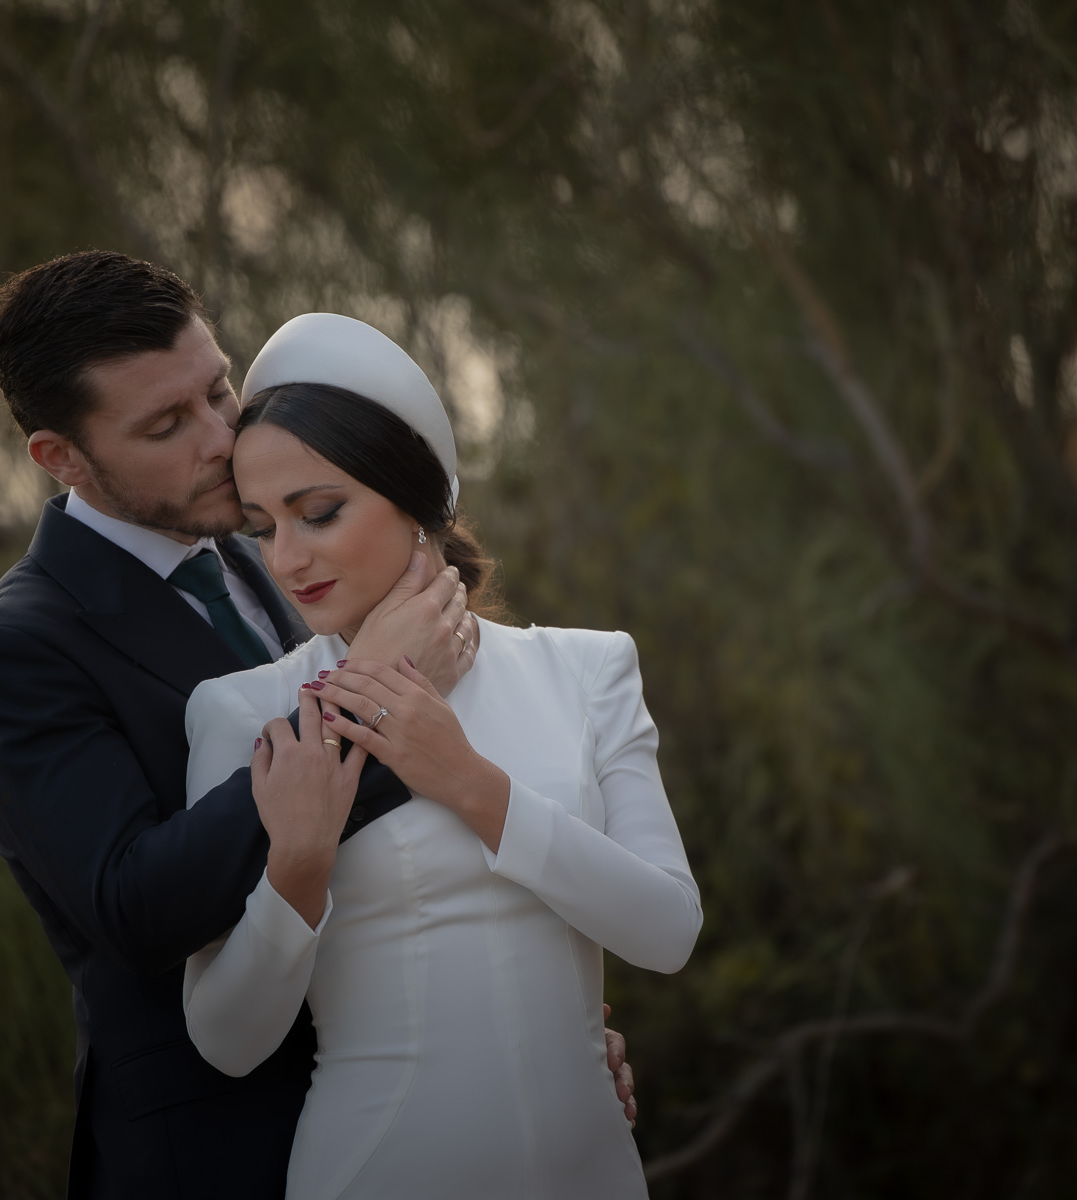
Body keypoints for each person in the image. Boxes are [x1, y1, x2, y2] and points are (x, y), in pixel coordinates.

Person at [0, 251, 636, 1200]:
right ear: (60, 456)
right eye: (164, 425)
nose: (219, 436)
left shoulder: (271, 553)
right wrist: (374, 695)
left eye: (219, 390)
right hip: (215, 1153)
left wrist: (528, 1026)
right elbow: (132, 907)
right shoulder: (22, 647)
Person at [179, 313, 701, 1199]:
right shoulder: (248, 711)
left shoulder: (588, 668)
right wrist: (299, 865)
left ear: (418, 500)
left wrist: (466, 781)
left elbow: (668, 931)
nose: (289, 558)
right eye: (263, 527)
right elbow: (227, 1040)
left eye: (320, 512)